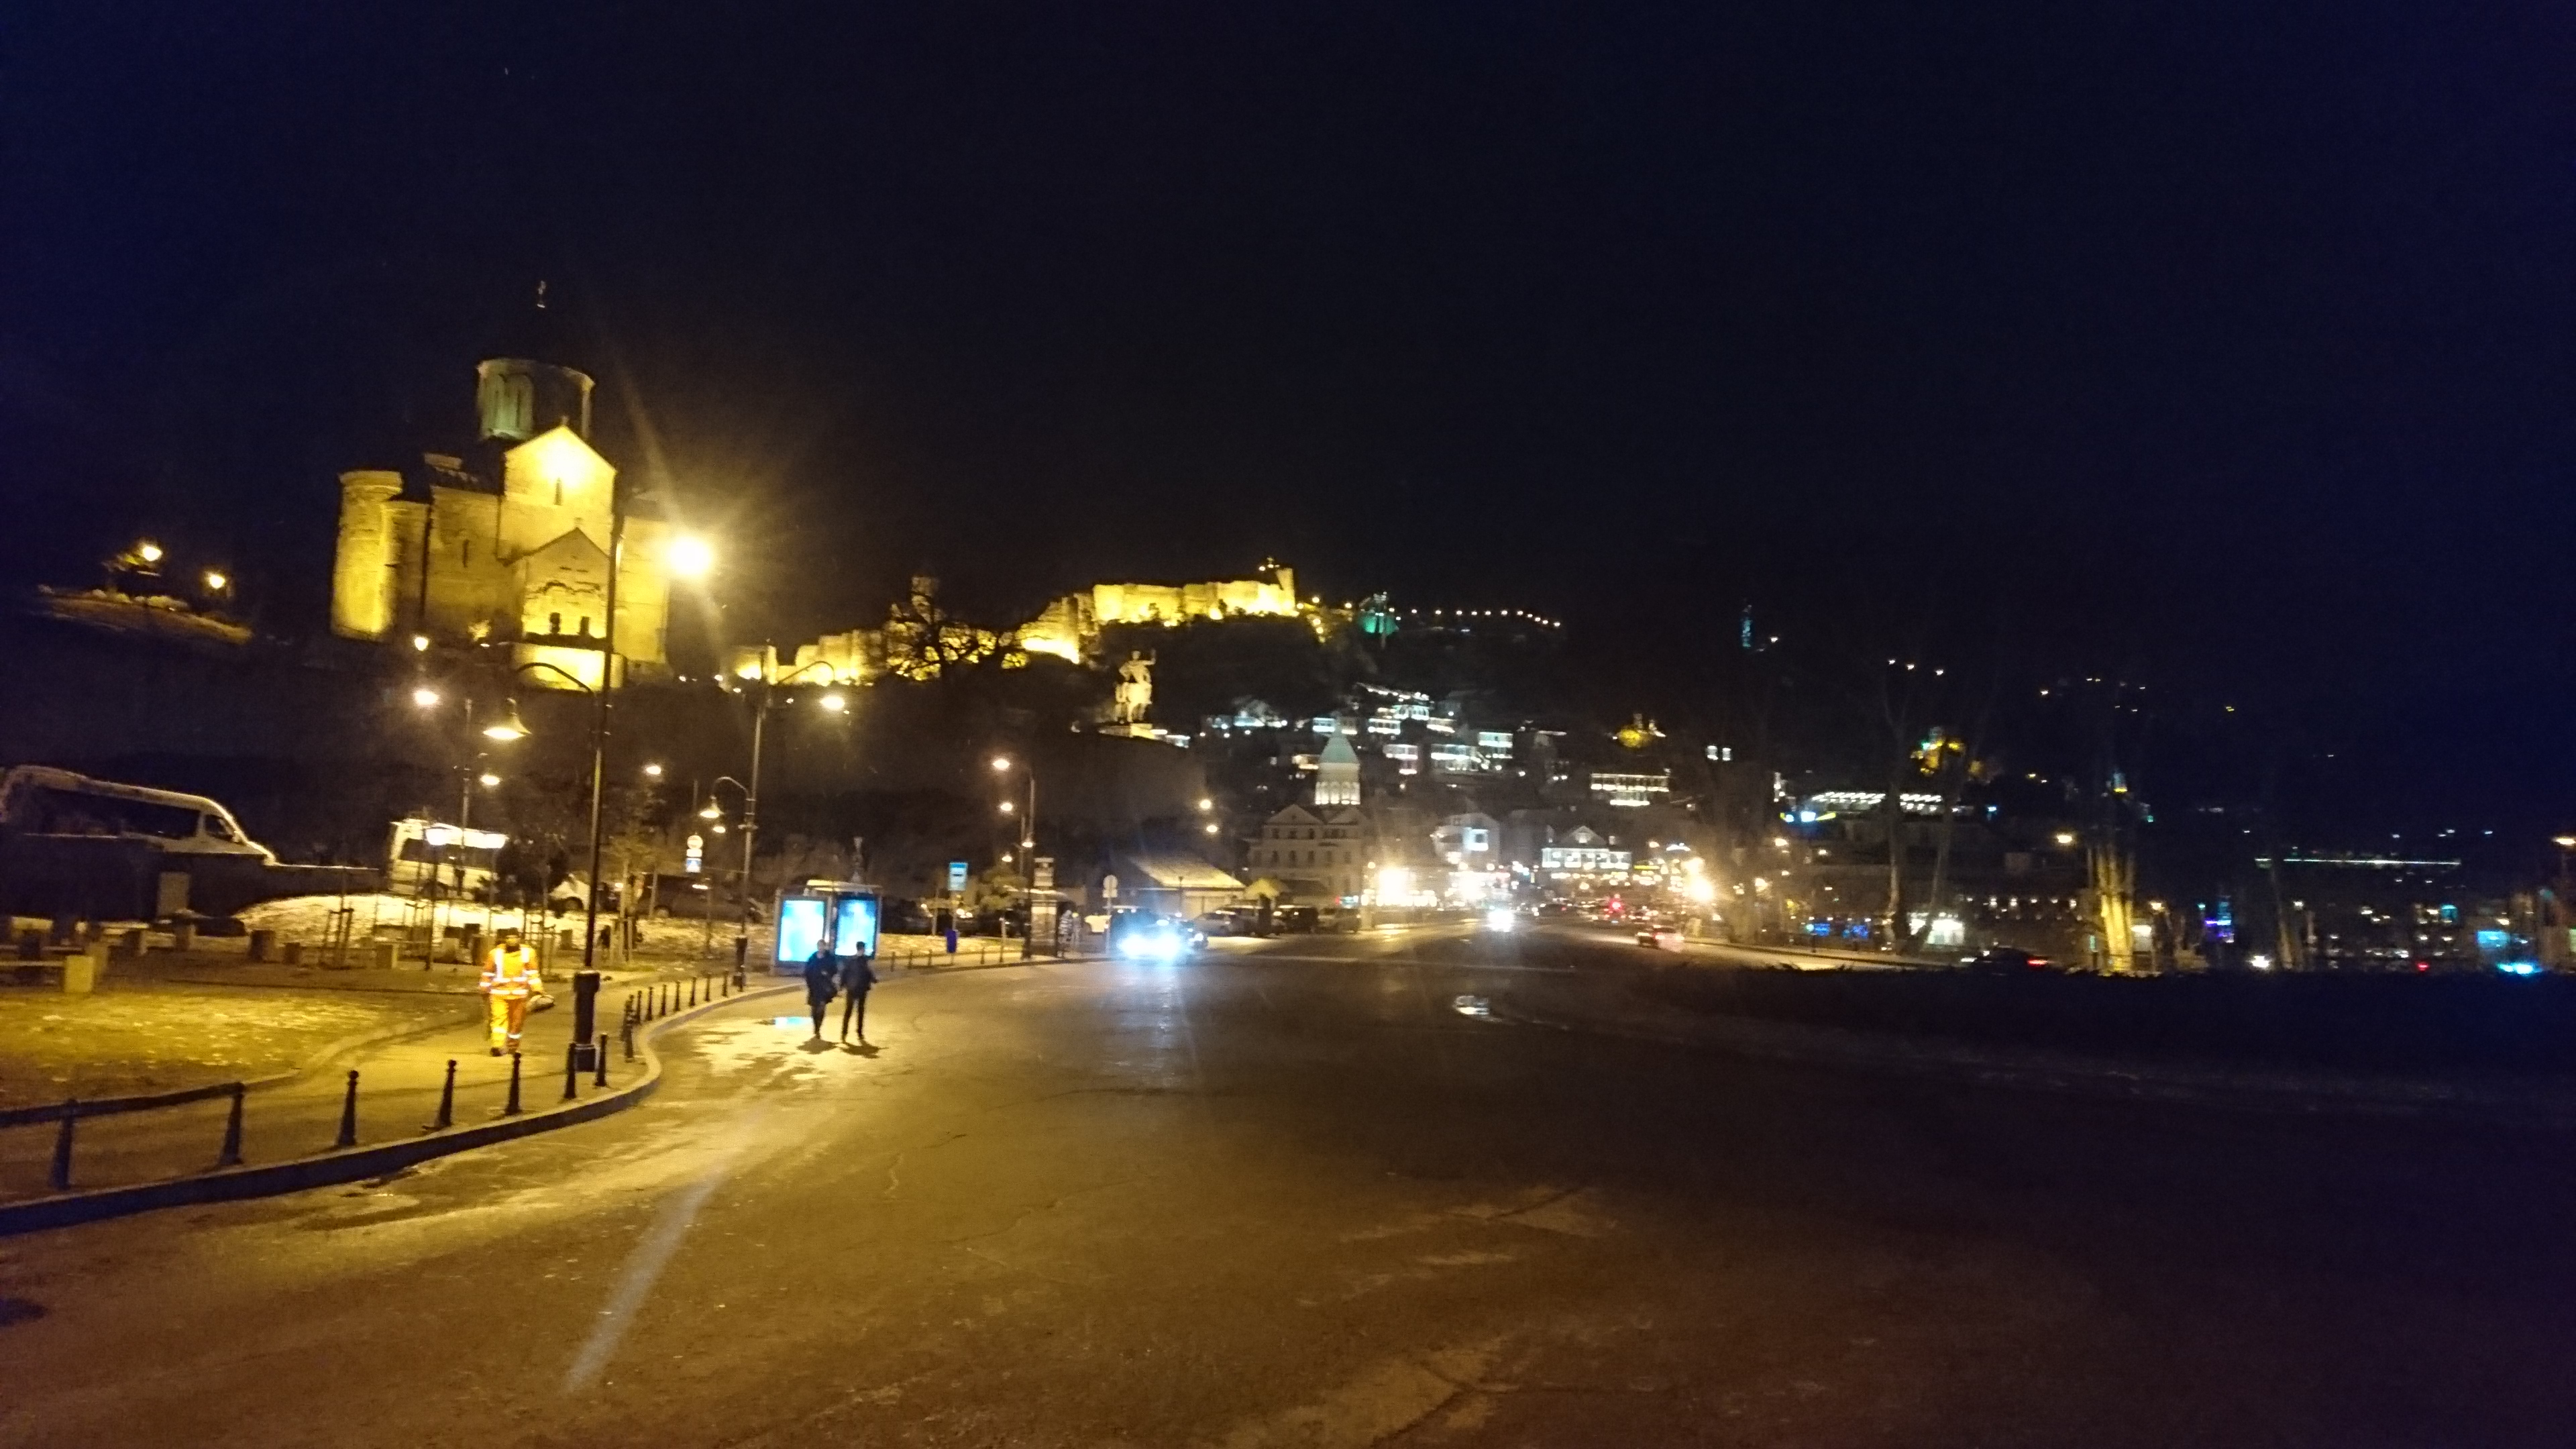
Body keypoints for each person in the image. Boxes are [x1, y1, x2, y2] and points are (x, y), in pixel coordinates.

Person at [480, 928, 541, 1057]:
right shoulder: (495, 953)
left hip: (519, 995)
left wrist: (537, 989)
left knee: (516, 1022)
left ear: (520, 939)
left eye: (514, 937)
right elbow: (488, 973)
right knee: (499, 1020)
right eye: (508, 938)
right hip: (499, 994)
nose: (511, 940)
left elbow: (533, 973)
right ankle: (496, 1046)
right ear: (504, 939)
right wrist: (484, 989)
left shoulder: (528, 953)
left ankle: (513, 1047)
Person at [837, 943, 878, 1045]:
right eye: (863, 949)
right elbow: (867, 973)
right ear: (862, 949)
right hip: (856, 990)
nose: (864, 950)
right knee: (852, 1012)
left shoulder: (854, 961)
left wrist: (842, 986)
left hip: (857, 989)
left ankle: (851, 1032)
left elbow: (845, 974)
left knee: (855, 1012)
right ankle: (850, 1032)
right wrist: (873, 980)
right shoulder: (859, 961)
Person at [802, 945, 838, 1041]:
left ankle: (819, 1028)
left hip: (824, 988)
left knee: (821, 1008)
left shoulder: (829, 958)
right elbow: (807, 970)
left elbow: (835, 970)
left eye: (822, 946)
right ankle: (815, 1026)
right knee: (814, 1009)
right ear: (818, 947)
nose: (821, 948)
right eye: (820, 946)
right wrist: (808, 981)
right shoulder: (813, 957)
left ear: (825, 947)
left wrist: (827, 973)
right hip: (814, 988)